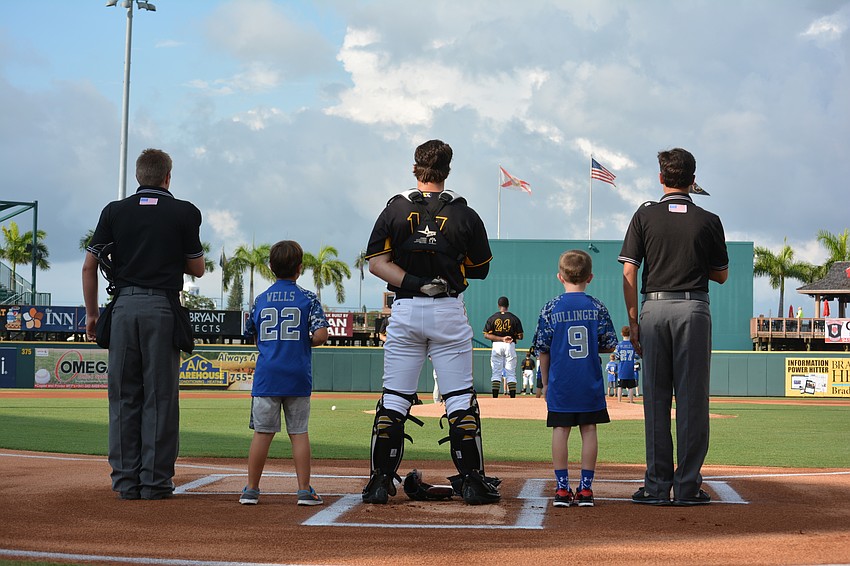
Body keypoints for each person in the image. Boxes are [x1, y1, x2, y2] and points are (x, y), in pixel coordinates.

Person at [362, 139, 500, 505]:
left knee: (393, 399)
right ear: (448, 170)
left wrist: (414, 280)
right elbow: (481, 269)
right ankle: (471, 481)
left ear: (415, 168)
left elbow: (376, 262)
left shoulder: (394, 209)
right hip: (448, 309)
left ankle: (379, 481)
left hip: (406, 308)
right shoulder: (464, 214)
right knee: (459, 400)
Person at [82, 148, 205, 500]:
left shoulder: (114, 211)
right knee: (160, 398)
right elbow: (196, 268)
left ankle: (125, 483)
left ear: (139, 176)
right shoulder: (184, 211)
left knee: (123, 397)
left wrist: (93, 315)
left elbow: (89, 267)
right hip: (161, 308)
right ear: (168, 176)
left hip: (122, 308)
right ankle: (154, 483)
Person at [619, 147, 728, 506]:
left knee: (655, 398)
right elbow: (721, 275)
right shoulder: (709, 219)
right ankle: (686, 487)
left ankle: (655, 486)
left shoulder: (645, 215)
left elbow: (629, 271)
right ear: (693, 180)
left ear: (662, 178)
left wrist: (633, 321)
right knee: (692, 400)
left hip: (654, 308)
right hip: (694, 308)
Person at [238, 240, 329, 506]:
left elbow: (250, 334)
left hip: (267, 376)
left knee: (262, 434)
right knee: (298, 432)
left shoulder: (261, 299)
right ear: (300, 268)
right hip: (297, 375)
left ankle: (251, 490)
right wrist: (303, 341)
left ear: (270, 268)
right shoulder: (308, 298)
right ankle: (303, 490)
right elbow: (321, 335)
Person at [533, 249, 617, 508]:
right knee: (589, 430)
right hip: (588, 381)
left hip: (562, 382)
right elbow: (610, 344)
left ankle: (561, 489)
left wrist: (545, 383)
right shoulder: (597, 306)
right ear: (590, 277)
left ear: (560, 276)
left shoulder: (551, 308)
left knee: (560, 430)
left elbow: (542, 350)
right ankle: (586, 490)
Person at [483, 296, 524, 398]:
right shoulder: (514, 318)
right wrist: (511, 336)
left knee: (496, 372)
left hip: (496, 344)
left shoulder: (492, 318)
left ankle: (495, 397)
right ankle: (512, 397)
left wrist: (501, 338)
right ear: (508, 305)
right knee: (511, 373)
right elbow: (521, 336)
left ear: (498, 305)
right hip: (510, 344)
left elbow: (486, 335)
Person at [615, 326, 639, 403]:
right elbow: (637, 356)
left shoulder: (619, 345)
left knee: (620, 386)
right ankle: (631, 401)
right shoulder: (633, 345)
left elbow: (616, 356)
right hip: (630, 369)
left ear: (622, 334)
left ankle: (619, 401)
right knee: (631, 387)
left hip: (622, 369)